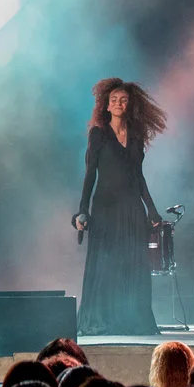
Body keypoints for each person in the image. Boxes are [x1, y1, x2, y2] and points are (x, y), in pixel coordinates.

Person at [74, 77, 167, 337]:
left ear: (129, 104)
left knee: (133, 261)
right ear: (106, 105)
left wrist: (152, 209)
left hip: (131, 206)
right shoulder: (98, 134)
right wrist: (83, 210)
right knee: (106, 263)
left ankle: (132, 319)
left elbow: (139, 175)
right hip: (105, 206)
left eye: (123, 100)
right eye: (114, 99)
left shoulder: (136, 136)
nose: (118, 103)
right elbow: (90, 173)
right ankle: (102, 319)